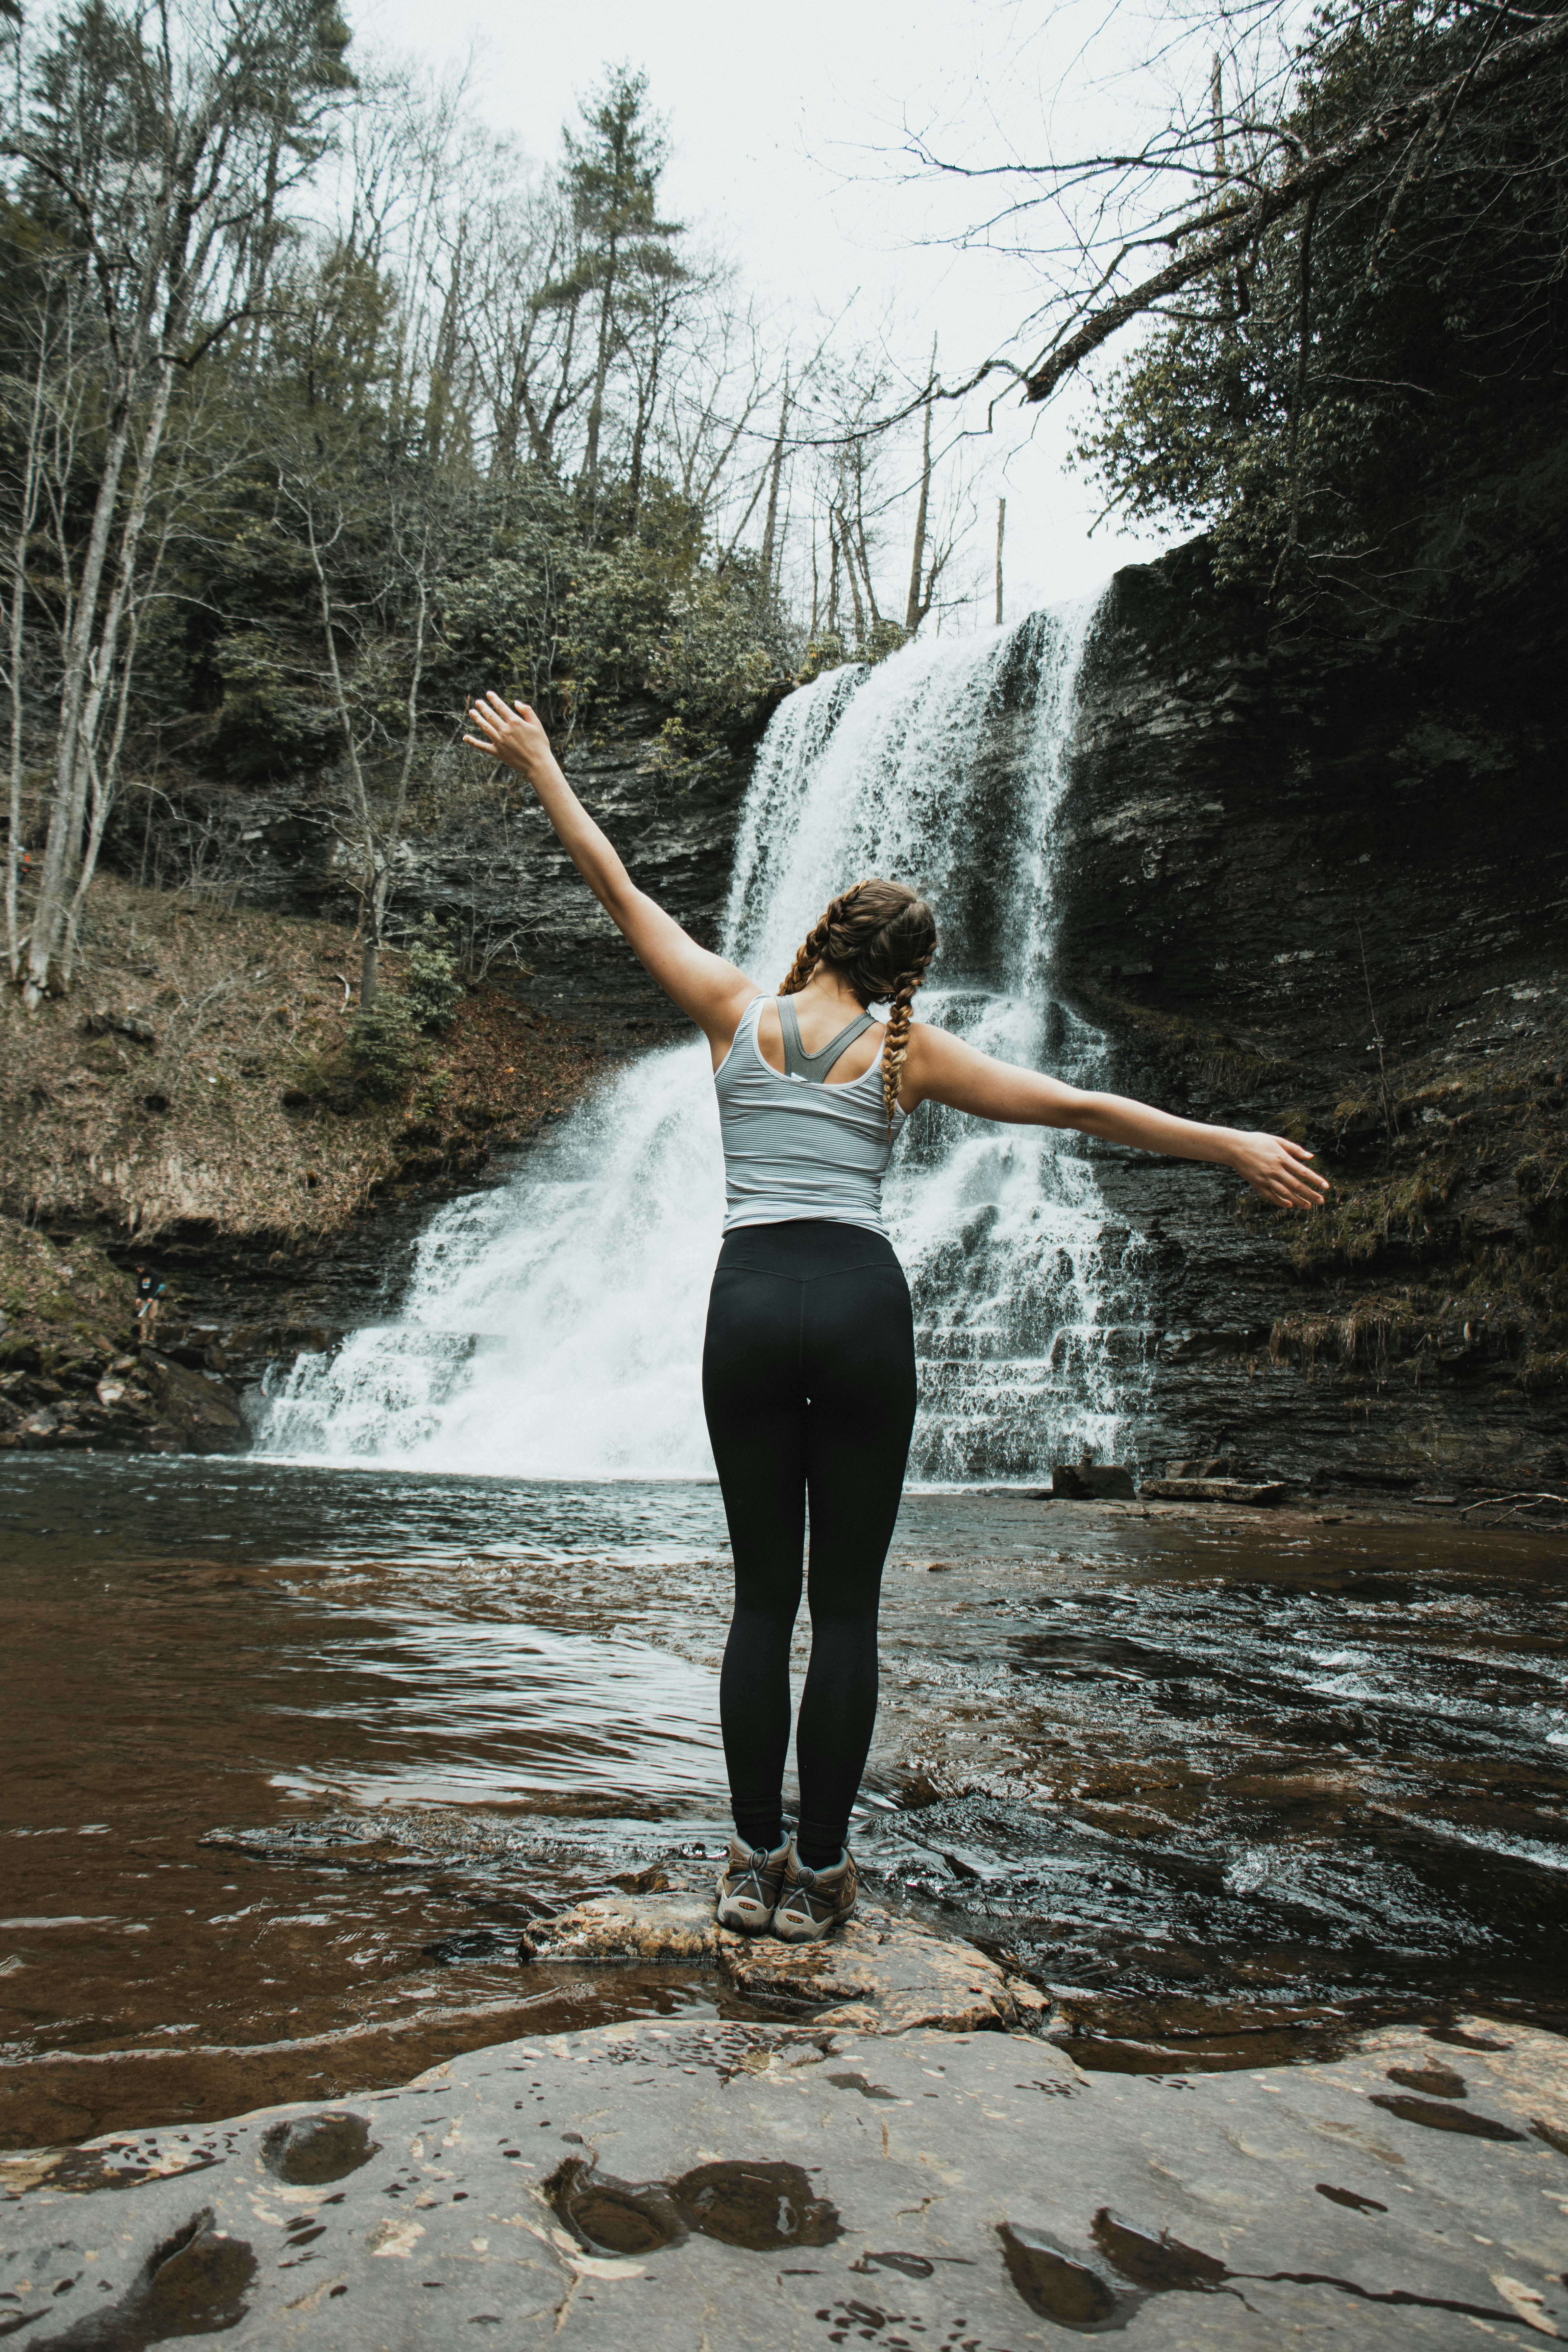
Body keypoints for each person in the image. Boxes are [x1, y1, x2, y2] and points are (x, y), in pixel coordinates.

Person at [464, 691, 1329, 1944]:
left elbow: (613, 881)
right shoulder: (907, 1054)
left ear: (817, 940)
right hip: (861, 1307)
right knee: (847, 1607)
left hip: (748, 1300)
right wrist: (1228, 1144)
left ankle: (747, 1858)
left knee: (761, 1600)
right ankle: (821, 1876)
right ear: (905, 974)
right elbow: (1081, 1108)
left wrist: (542, 761)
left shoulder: (730, 1007)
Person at [133, 1264, 164, 1348]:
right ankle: (143, 1337)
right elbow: (139, 1287)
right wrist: (138, 1297)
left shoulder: (155, 1275)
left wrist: (151, 1297)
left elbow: (156, 1287)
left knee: (152, 1318)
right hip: (143, 1299)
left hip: (154, 1300)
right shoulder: (141, 1276)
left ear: (143, 1268)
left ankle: (152, 1335)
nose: (138, 1271)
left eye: (139, 1270)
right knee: (143, 1318)